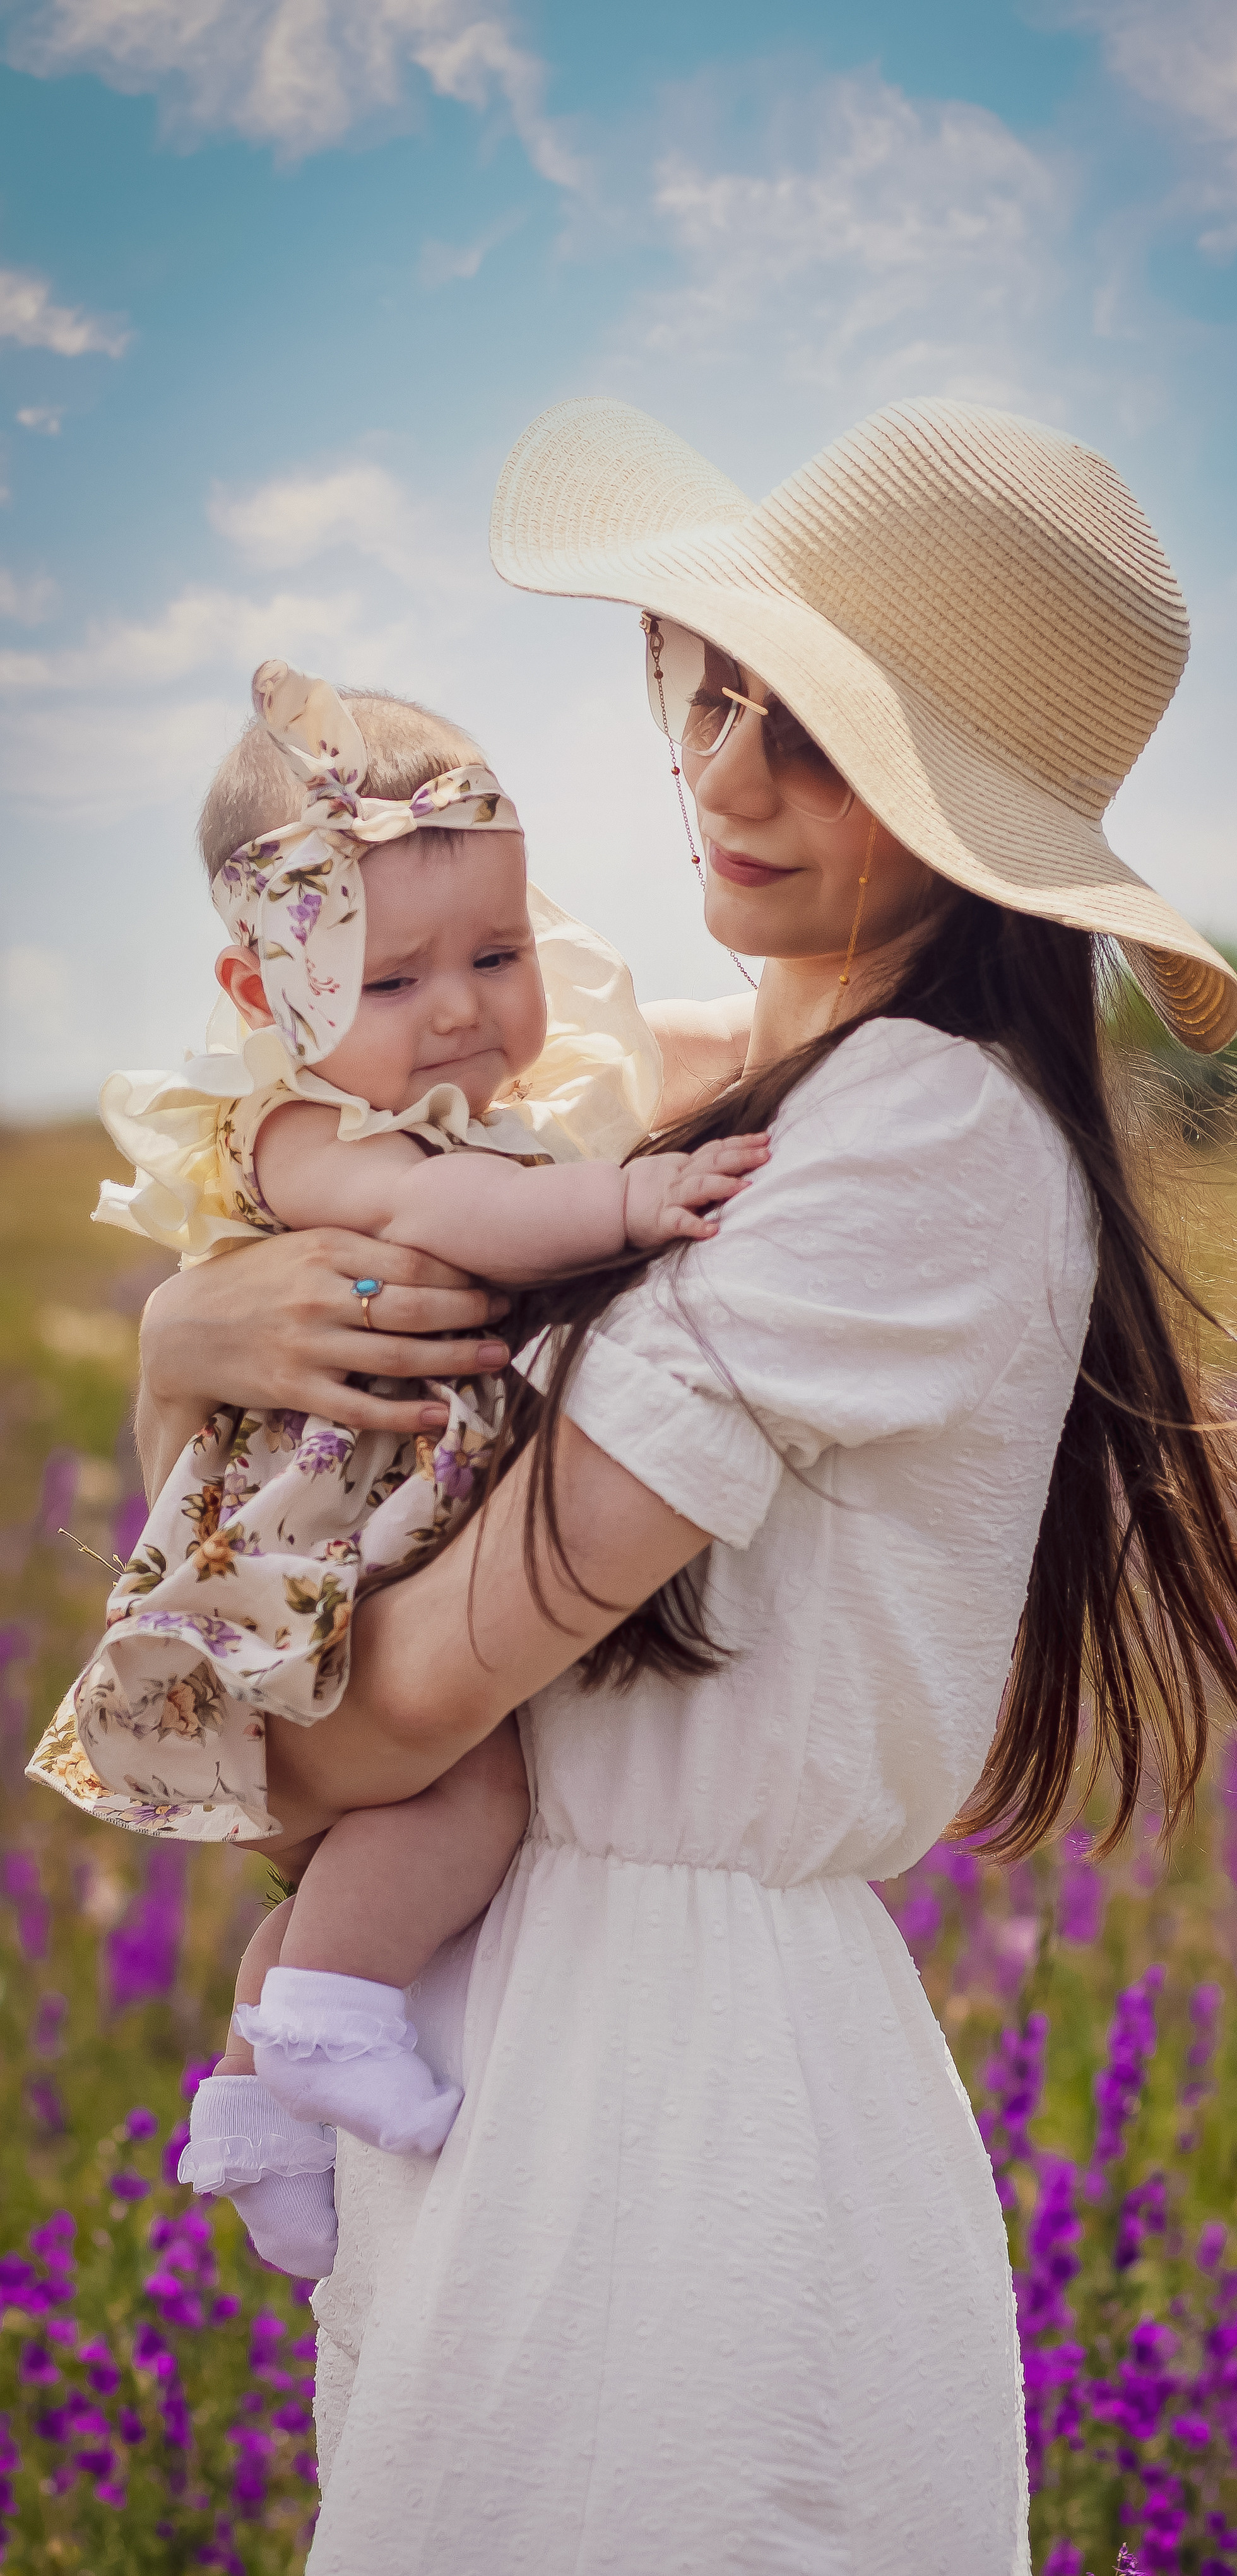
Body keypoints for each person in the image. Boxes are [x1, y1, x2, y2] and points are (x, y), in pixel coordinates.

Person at [129, 397, 1237, 2575]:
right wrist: (187, 1350)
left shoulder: (919, 1133)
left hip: (671, 2108)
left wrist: (213, 1694)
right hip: (532, 2034)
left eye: (812, 738)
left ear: (959, 817)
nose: (717, 774)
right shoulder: (751, 1104)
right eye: (714, 694)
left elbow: (391, 1706)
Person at [30, 656, 764, 2268]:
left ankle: (253, 2089)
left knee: (405, 1824)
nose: (457, 1010)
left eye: (497, 953)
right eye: (390, 977)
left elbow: (670, 1039)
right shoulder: (309, 1134)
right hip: (336, 1551)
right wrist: (637, 1205)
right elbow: (473, 1219)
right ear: (261, 996)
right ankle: (317, 2015)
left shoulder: (449, 1088)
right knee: (468, 1787)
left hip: (391, 1527)